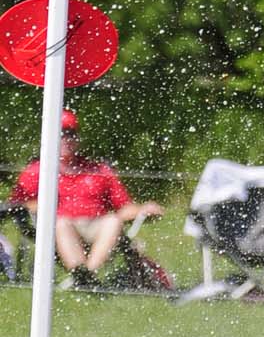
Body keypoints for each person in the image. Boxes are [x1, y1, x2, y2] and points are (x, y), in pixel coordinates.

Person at [8, 109, 164, 289]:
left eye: (71, 134)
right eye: (61, 134)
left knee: (113, 220)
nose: (67, 139)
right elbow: (16, 204)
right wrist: (40, 206)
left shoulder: (98, 169)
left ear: (77, 138)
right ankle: (81, 274)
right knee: (62, 223)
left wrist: (143, 209)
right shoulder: (38, 171)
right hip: (59, 230)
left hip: (96, 228)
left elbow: (124, 208)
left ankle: (86, 276)